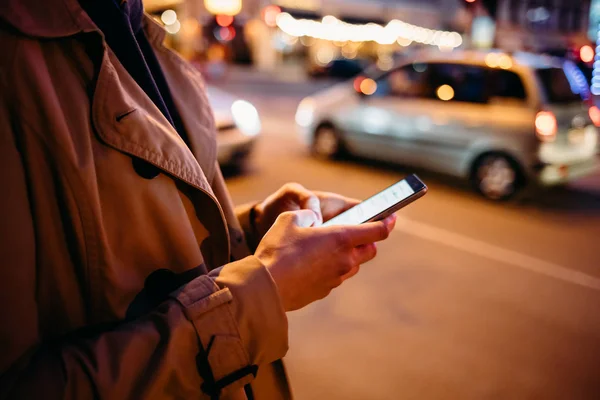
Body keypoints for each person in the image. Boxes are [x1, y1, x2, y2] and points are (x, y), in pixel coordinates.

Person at [0, 0, 396, 399]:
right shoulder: (17, 60)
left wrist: (253, 230)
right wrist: (264, 291)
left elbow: (132, 241)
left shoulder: (142, 35)